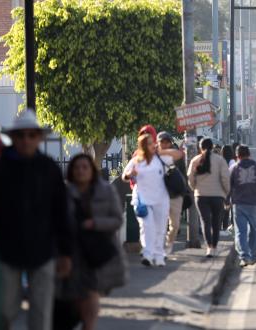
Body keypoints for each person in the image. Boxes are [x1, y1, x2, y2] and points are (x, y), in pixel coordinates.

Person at [0, 110, 73, 330]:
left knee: (41, 315)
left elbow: (61, 212)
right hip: (6, 251)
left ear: (39, 137)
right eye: (21, 135)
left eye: (31, 135)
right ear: (13, 137)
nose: (26, 140)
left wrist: (66, 252)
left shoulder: (49, 168)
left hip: (43, 250)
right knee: (3, 311)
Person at [55, 154, 124, 330]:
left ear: (92, 170)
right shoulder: (63, 193)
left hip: (96, 253)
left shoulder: (106, 191)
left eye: (85, 167)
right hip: (71, 253)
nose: (81, 171)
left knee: (91, 296)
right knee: (72, 298)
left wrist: (96, 223)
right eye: (77, 167)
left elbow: (117, 220)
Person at [122, 133, 172, 267]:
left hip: (161, 199)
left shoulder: (161, 159)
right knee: (147, 226)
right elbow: (124, 176)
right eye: (148, 144)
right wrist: (130, 175)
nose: (152, 146)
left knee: (160, 228)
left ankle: (159, 254)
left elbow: (178, 155)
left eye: (152, 143)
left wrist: (161, 150)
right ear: (142, 146)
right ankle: (148, 255)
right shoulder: (136, 160)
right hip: (143, 199)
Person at [188, 138, 231, 257]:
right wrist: (227, 192)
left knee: (205, 222)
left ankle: (209, 247)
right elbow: (225, 178)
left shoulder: (195, 160)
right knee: (216, 222)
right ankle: (215, 246)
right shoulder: (220, 160)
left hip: (201, 196)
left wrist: (195, 188)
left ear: (199, 148)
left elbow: (190, 179)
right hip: (218, 196)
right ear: (212, 147)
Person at [230, 145, 256, 267]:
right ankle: (253, 256)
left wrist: (226, 201)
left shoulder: (234, 168)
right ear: (249, 154)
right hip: (255, 204)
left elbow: (229, 187)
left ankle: (244, 257)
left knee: (241, 232)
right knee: (254, 231)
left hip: (239, 204)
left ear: (237, 156)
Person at [157, 131, 186, 255]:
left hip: (174, 193)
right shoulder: (151, 157)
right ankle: (160, 247)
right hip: (159, 194)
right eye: (161, 142)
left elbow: (180, 154)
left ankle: (169, 244)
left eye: (166, 141)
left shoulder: (172, 154)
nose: (164, 144)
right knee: (160, 223)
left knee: (175, 225)